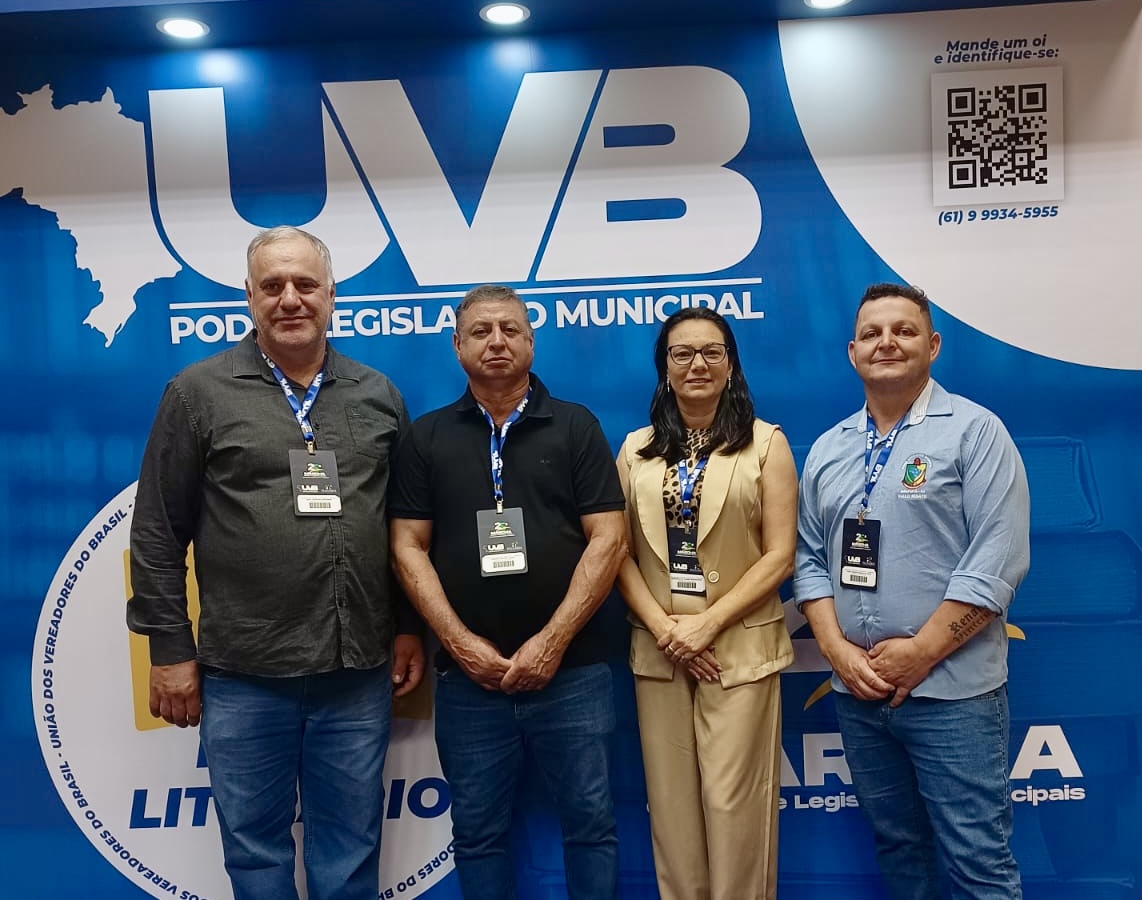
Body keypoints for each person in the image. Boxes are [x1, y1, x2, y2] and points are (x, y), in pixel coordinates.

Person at [127, 225, 425, 900]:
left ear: (332, 295)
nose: (290, 299)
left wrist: (408, 627)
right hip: (243, 675)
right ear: (249, 298)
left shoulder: (377, 394)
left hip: (357, 672)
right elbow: (157, 533)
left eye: (305, 284)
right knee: (256, 857)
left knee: (350, 852)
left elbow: (405, 529)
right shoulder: (197, 392)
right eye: (272, 286)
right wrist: (169, 650)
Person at [388, 284, 627, 900]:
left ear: (530, 341)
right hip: (469, 682)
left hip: (573, 672)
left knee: (591, 828)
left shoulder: (575, 425)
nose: (496, 342)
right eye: (481, 331)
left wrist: (552, 642)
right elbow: (407, 546)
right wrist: (460, 644)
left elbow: (609, 539)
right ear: (457, 345)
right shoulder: (426, 437)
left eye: (510, 329)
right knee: (477, 835)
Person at [793, 282, 1029, 899]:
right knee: (900, 853)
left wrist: (920, 653)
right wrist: (838, 654)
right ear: (852, 352)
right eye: (872, 333)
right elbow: (810, 560)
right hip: (859, 693)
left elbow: (997, 562)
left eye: (904, 330)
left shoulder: (975, 432)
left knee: (978, 861)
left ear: (934, 345)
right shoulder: (829, 448)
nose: (887, 343)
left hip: (953, 694)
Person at [615, 307, 797, 900]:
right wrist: (668, 630)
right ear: (665, 368)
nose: (697, 364)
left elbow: (780, 555)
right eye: (682, 353)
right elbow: (616, 553)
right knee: (670, 811)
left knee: (734, 808)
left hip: (737, 650)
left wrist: (707, 624)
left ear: (730, 365)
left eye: (711, 352)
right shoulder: (635, 450)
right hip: (660, 651)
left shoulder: (766, 444)